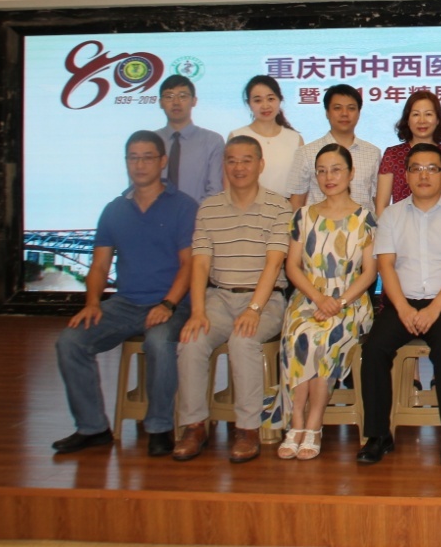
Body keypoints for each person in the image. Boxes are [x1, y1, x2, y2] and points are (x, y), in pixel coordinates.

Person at [53, 131, 194, 457]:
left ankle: (159, 427)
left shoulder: (184, 206)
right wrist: (92, 303)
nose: (139, 165)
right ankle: (93, 428)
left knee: (158, 341)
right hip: (125, 303)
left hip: (173, 304)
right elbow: (100, 266)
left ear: (162, 162)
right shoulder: (114, 210)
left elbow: (189, 265)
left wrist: (168, 303)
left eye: (147, 158)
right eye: (133, 158)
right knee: (70, 342)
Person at [358, 143, 441, 467]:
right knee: (374, 350)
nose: (423, 175)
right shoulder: (392, 216)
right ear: (406, 175)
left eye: (431, 169)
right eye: (416, 169)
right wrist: (403, 309)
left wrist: (433, 310)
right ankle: (378, 436)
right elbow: (386, 265)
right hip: (403, 302)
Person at [172, 136, 292, 464]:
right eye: (232, 160)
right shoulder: (209, 208)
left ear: (260, 165)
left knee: (243, 340)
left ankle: (248, 429)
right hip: (219, 297)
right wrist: (197, 311)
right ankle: (194, 426)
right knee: (191, 340)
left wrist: (254, 308)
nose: (239, 167)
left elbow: (274, 264)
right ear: (224, 165)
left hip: (266, 299)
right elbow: (200, 263)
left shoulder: (279, 206)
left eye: (246, 160)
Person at [278, 143, 377, 460]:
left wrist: (340, 301)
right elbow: (292, 267)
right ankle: (296, 422)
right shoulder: (303, 216)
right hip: (308, 297)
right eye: (321, 171)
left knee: (322, 337)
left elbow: (369, 273)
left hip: (351, 302)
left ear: (351, 173)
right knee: (299, 333)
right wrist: (319, 297)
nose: (328, 177)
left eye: (335, 170)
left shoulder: (365, 218)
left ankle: (314, 424)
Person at [287, 84, 381, 211]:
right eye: (337, 108)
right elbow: (297, 202)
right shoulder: (305, 153)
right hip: (317, 222)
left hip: (362, 223)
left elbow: (378, 202)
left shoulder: (373, 153)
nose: (344, 114)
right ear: (327, 112)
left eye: (351, 108)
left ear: (359, 113)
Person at [377, 90, 441, 213]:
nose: (422, 120)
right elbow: (381, 206)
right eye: (416, 114)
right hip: (401, 223)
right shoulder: (392, 155)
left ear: (438, 120)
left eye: (428, 114)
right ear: (407, 120)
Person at [228, 75, 303, 198]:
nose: (265, 105)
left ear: (280, 100)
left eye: (270, 99)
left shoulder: (295, 139)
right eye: (258, 100)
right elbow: (229, 183)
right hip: (246, 206)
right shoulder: (237, 136)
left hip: (286, 207)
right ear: (249, 104)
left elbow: (300, 187)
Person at [156, 74, 223, 204]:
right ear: (160, 103)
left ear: (194, 101)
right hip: (154, 215)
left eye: (183, 96)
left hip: (198, 215)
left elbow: (215, 190)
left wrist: (192, 213)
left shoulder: (212, 141)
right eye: (169, 96)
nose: (176, 102)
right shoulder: (150, 142)